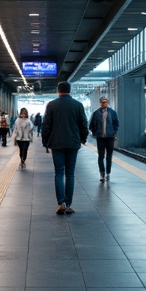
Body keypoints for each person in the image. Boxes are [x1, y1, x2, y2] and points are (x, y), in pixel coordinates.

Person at [42, 81, 88, 215]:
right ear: (70, 90)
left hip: (56, 144)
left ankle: (60, 203)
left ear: (58, 90)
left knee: (59, 173)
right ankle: (68, 204)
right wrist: (83, 139)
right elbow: (83, 124)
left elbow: (46, 125)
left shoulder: (52, 105)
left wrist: (46, 142)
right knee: (70, 174)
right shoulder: (78, 105)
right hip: (73, 143)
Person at [90, 96, 120, 182]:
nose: (104, 104)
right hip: (100, 138)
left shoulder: (113, 113)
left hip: (110, 137)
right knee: (101, 156)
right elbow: (91, 124)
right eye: (103, 102)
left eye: (106, 102)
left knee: (109, 156)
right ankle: (102, 174)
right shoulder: (96, 113)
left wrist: (114, 132)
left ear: (108, 103)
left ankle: (108, 173)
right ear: (100, 103)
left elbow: (116, 123)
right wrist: (95, 132)